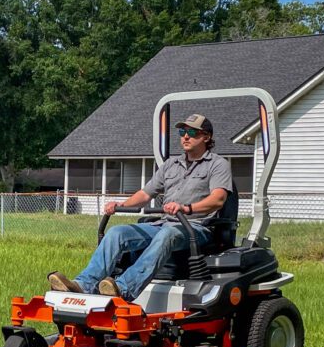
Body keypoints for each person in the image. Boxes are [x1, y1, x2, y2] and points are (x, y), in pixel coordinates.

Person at [48, 113, 233, 300]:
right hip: (163, 224)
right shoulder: (171, 165)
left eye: (192, 132)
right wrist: (121, 205)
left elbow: (218, 199)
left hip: (195, 227)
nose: (185, 136)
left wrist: (186, 208)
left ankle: (123, 288)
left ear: (206, 137)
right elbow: (145, 194)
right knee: (117, 232)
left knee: (167, 234)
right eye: (182, 131)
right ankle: (83, 284)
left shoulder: (217, 165)